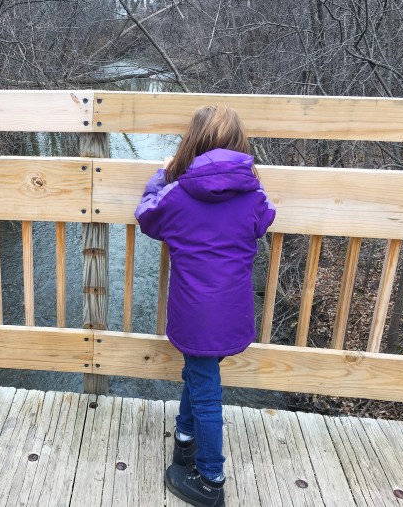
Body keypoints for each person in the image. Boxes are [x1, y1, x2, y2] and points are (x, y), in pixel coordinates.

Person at [135, 105, 275, 506]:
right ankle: (184, 439)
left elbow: (146, 215)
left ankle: (212, 480)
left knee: (206, 391)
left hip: (194, 314)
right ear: (238, 145)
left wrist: (162, 174)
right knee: (199, 374)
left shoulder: (177, 195)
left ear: (192, 143)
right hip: (233, 311)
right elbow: (265, 218)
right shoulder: (252, 196)